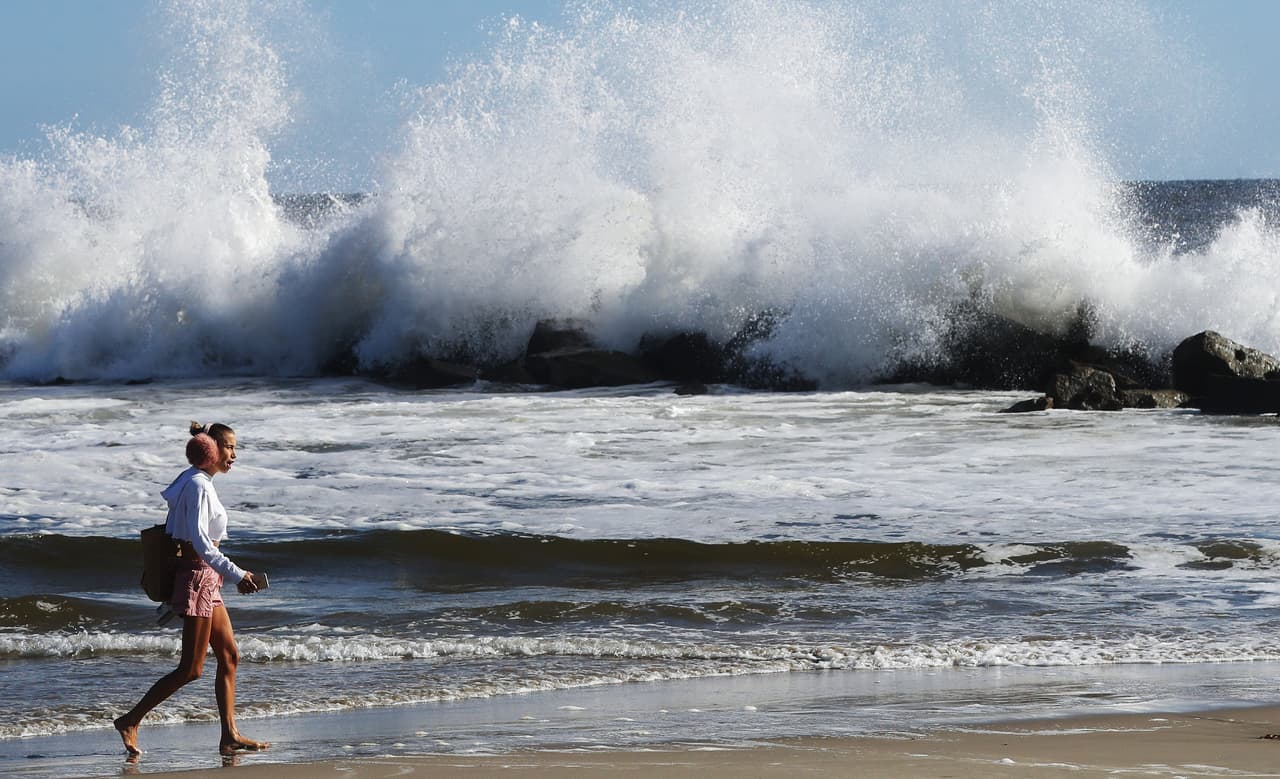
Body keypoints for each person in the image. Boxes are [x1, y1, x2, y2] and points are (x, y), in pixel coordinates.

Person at [114, 422, 269, 758]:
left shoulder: (194, 480)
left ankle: (230, 736)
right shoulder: (198, 485)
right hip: (200, 578)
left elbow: (180, 534)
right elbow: (199, 542)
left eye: (234, 447)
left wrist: (223, 574)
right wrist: (238, 573)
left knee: (229, 656)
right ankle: (130, 720)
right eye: (228, 447)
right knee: (191, 668)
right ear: (210, 449)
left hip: (205, 578)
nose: (234, 454)